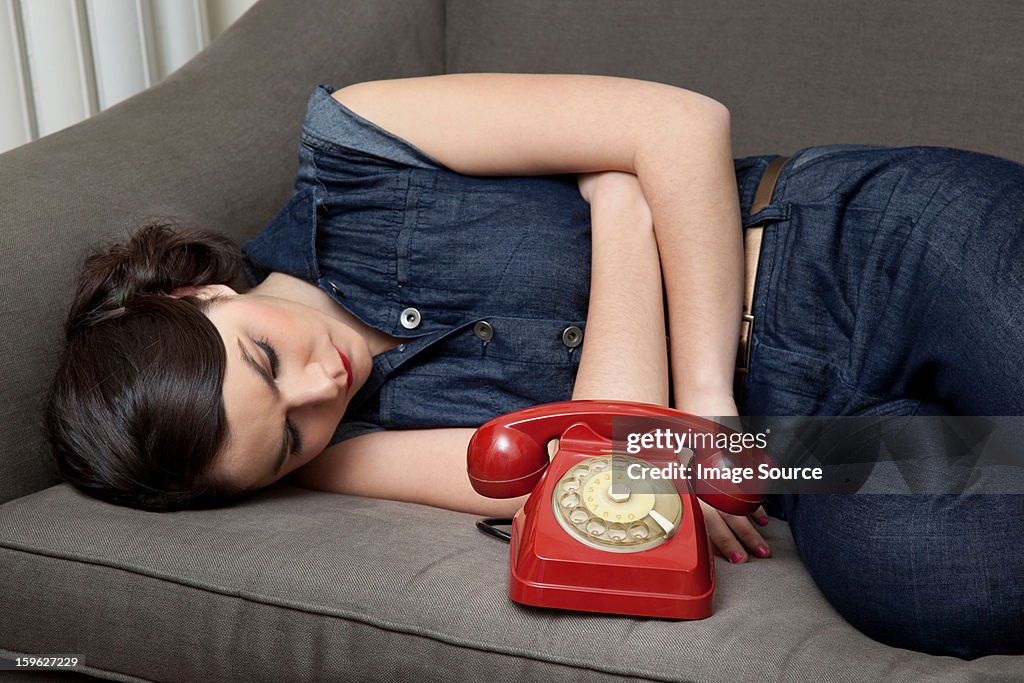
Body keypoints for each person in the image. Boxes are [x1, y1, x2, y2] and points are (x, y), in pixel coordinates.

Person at [44, 74, 1023, 659]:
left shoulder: (358, 148)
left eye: (266, 362)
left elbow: (679, 124)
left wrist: (705, 407)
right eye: (288, 439)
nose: (322, 388)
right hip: (801, 449)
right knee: (922, 574)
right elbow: (611, 459)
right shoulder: (336, 450)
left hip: (856, 249)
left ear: (199, 297)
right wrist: (615, 209)